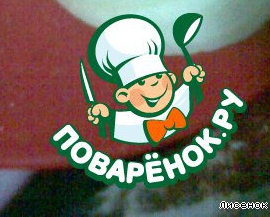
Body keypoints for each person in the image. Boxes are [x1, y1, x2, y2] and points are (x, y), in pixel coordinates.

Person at [87, 15, 205, 145]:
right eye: (142, 82)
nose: (154, 85)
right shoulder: (130, 126)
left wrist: (191, 79)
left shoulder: (181, 102)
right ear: (123, 96)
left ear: (171, 78)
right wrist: (103, 115)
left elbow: (192, 92)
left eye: (158, 77)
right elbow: (109, 125)